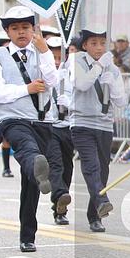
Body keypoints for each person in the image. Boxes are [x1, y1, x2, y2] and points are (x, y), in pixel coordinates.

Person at [0, 6, 59, 253]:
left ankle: (28, 235)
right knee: (28, 150)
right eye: (15, 28)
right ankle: (38, 164)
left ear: (33, 29)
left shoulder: (42, 52)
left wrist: (46, 52)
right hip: (13, 118)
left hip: (42, 121)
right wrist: (24, 89)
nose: (21, 33)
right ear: (7, 31)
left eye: (25, 27)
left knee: (31, 183)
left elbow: (52, 82)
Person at [69, 27, 129, 232]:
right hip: (82, 122)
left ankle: (95, 215)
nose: (98, 48)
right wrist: (97, 69)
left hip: (104, 124)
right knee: (91, 165)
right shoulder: (76, 61)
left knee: (103, 171)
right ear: (84, 45)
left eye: (102, 43)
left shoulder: (111, 67)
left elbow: (122, 101)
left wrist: (111, 84)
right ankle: (102, 199)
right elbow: (82, 84)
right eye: (93, 43)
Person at [46, 36, 75, 226]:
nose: (57, 62)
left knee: (67, 167)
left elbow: (84, 100)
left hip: (68, 126)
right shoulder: (44, 73)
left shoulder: (72, 75)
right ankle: (60, 196)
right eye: (53, 58)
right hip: (49, 126)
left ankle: (60, 207)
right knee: (55, 164)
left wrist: (70, 104)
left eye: (60, 58)